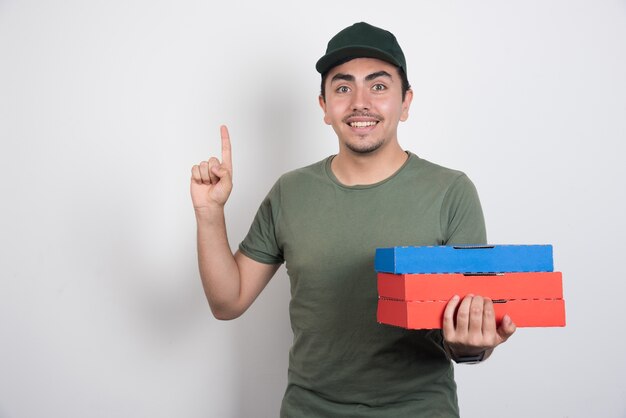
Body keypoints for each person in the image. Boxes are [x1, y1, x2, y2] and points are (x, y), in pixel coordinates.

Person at [191, 21, 516, 417]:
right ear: (325, 107)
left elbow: (469, 333)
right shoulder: (290, 192)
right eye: (343, 88)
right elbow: (228, 301)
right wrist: (209, 213)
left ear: (406, 102)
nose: (360, 102)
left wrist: (470, 345)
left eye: (378, 86)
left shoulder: (451, 191)